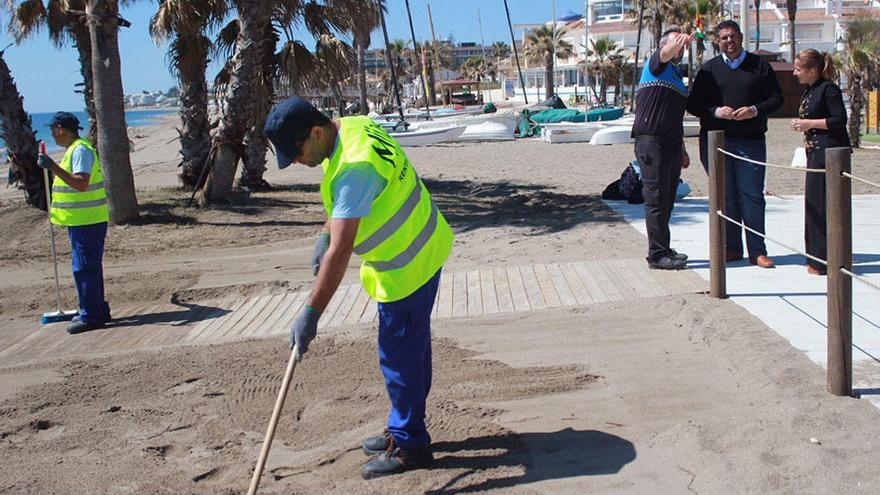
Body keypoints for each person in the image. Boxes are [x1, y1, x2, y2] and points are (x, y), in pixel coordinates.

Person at [263, 97, 454, 479]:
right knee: (412, 353)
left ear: (316, 132)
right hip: (425, 244)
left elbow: (341, 251)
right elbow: (341, 201)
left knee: (399, 358)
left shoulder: (354, 166)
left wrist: (311, 313)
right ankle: (406, 424)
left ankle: (410, 445)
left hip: (407, 267)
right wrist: (323, 232)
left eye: (297, 153)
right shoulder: (351, 128)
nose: (297, 162)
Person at [688, 20, 782, 269]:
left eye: (732, 37)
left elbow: (776, 99)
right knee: (725, 197)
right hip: (715, 141)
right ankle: (732, 248)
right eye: (723, 38)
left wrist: (754, 110)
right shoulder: (708, 70)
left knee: (752, 197)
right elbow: (694, 105)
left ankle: (758, 251)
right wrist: (717, 111)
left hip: (751, 142)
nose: (729, 42)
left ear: (740, 37)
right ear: (717, 42)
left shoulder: (759, 66)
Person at [36, 112, 111, 334]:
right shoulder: (75, 150)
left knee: (85, 269)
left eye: (53, 130)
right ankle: (96, 309)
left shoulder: (79, 150)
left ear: (60, 128)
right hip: (82, 220)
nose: (52, 135)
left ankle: (92, 315)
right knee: (89, 268)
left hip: (87, 220)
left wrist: (52, 167)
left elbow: (81, 183)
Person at [632, 27, 693, 270]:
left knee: (667, 199)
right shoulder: (655, 65)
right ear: (663, 46)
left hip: (671, 143)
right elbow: (666, 53)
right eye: (676, 43)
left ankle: (664, 247)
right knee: (656, 199)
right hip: (651, 141)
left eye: (682, 46)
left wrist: (682, 148)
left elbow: (674, 116)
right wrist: (676, 41)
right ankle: (656, 255)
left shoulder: (676, 76)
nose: (680, 49)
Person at [790, 49, 850, 275]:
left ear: (812, 70)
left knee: (824, 205)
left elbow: (839, 119)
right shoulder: (810, 90)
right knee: (813, 204)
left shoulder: (828, 89)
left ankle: (824, 260)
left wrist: (810, 123)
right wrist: (803, 124)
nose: (795, 73)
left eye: (798, 69)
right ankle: (815, 256)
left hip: (830, 154)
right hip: (815, 152)